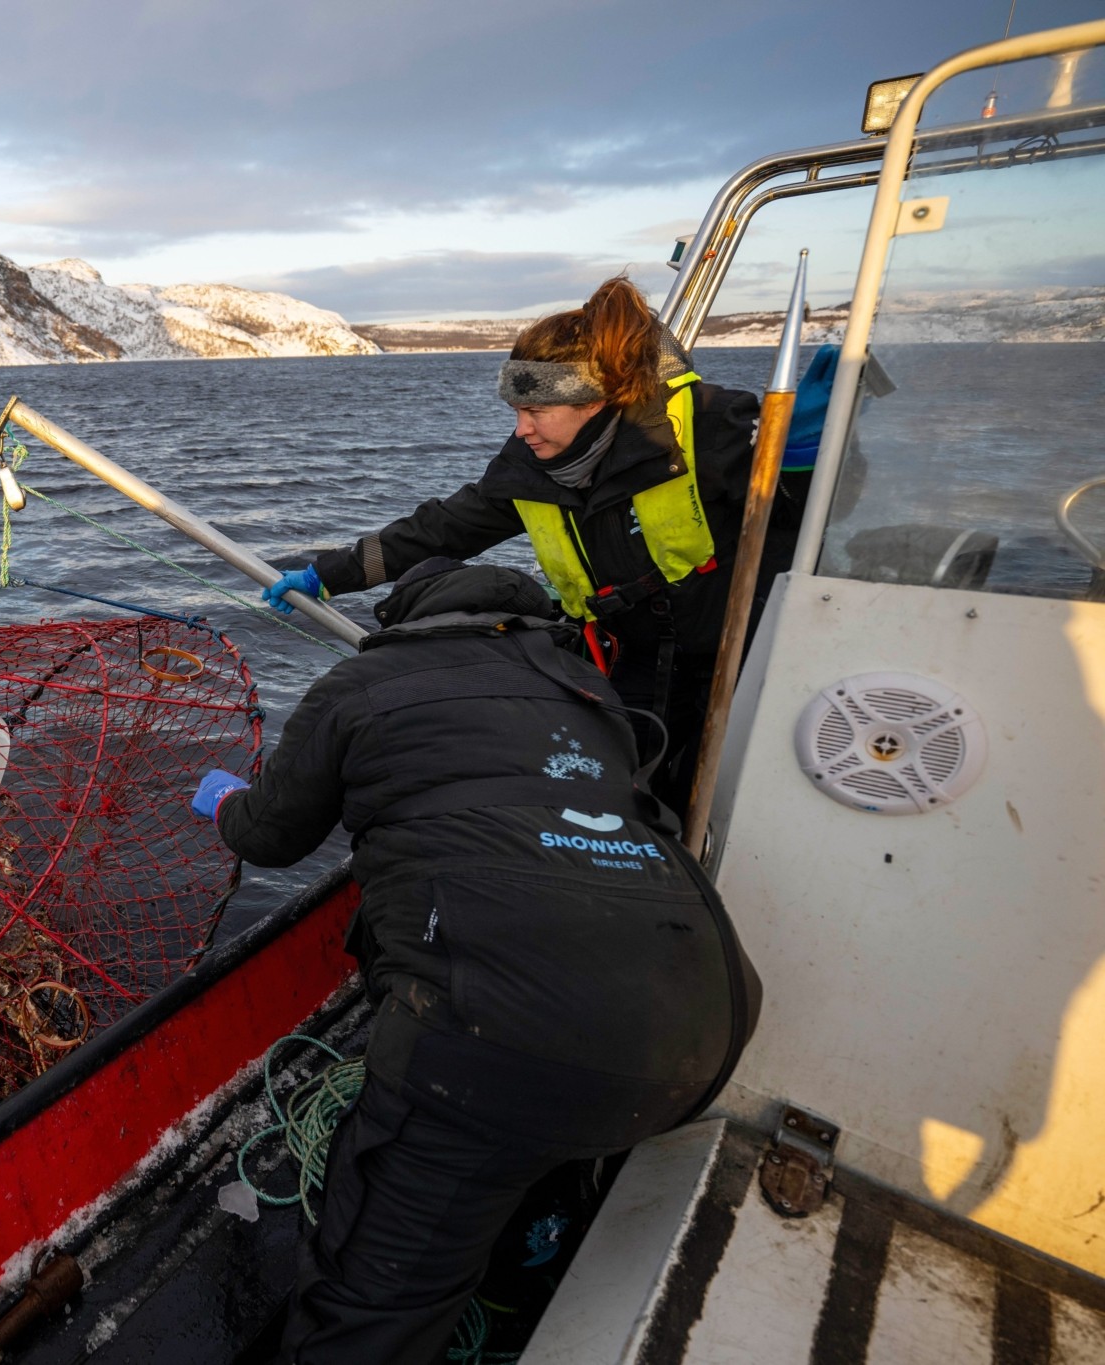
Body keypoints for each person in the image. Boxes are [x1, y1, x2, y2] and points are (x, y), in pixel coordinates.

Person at [191, 560, 760, 1365]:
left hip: (497, 1045)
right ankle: (532, 1245)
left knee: (371, 1300)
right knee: (555, 1120)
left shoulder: (362, 681)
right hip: (707, 1023)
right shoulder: (583, 687)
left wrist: (224, 802)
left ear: (403, 619)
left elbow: (272, 834)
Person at [262, 276, 805, 804]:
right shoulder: (531, 466)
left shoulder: (711, 431)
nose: (522, 429)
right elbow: (442, 528)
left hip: (742, 658)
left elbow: (818, 521)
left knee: (727, 794)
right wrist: (326, 576)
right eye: (518, 412)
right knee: (622, 790)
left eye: (536, 412)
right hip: (631, 660)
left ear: (593, 402)